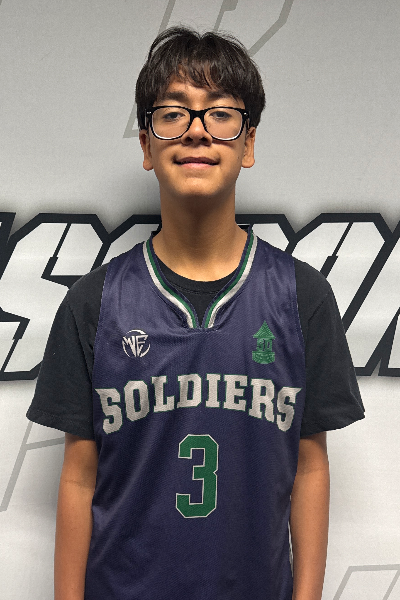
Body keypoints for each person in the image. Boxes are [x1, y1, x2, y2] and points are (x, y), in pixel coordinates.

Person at [26, 26, 365, 600]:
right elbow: (79, 479)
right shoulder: (94, 302)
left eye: (221, 114)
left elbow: (310, 466)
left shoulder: (301, 295)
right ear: (146, 145)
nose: (197, 131)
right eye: (174, 114)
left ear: (248, 144)